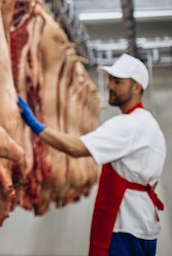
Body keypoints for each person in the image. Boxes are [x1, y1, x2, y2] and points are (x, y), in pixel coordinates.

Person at [18, 53, 166, 256]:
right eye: (110, 80)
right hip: (145, 225)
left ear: (136, 87)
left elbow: (76, 148)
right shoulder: (150, 124)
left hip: (123, 227)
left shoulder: (128, 125)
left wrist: (35, 126)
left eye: (117, 82)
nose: (110, 86)